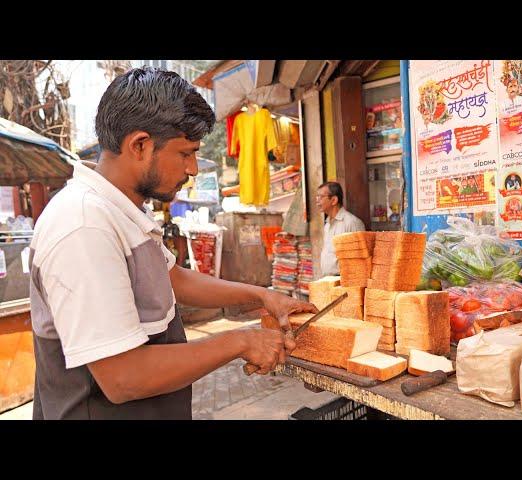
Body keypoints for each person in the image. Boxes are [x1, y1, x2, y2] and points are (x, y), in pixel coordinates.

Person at [28, 67, 317, 420]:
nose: (194, 168)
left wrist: (262, 297)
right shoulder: (84, 225)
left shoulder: (122, 211)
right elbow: (123, 377)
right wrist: (240, 341)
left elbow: (172, 278)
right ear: (140, 145)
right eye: (185, 153)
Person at [316, 181, 365, 276]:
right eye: (317, 196)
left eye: (321, 197)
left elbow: (359, 259)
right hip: (329, 280)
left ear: (334, 200)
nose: (317, 200)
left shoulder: (351, 222)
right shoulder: (327, 224)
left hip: (344, 280)